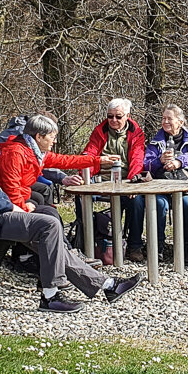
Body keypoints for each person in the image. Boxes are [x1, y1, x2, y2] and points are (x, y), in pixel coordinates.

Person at [0, 101, 141, 313]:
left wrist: (96, 161)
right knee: (48, 225)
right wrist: (10, 206)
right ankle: (51, 293)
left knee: (49, 227)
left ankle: (107, 286)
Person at [0, 112, 117, 216]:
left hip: (21, 193)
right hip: (4, 199)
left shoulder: (37, 153)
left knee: (44, 205)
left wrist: (98, 160)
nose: (55, 141)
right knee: (48, 214)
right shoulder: (16, 153)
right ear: (39, 137)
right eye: (52, 137)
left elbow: (66, 161)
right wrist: (23, 207)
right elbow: (11, 186)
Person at [139, 104, 188, 262]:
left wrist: (179, 161)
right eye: (163, 118)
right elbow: (145, 164)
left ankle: (183, 248)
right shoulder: (156, 141)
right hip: (160, 188)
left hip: (182, 189)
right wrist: (160, 161)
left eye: (169, 119)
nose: (165, 122)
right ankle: (157, 247)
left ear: (180, 122)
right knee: (158, 204)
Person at [82, 98, 146, 263]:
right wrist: (85, 175)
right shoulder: (100, 131)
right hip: (101, 178)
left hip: (125, 179)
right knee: (81, 197)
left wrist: (133, 182)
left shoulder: (136, 133)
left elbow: (137, 159)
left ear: (127, 116)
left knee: (137, 201)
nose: (113, 120)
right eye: (110, 116)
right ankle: (85, 240)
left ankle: (134, 245)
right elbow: (89, 152)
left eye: (118, 116)